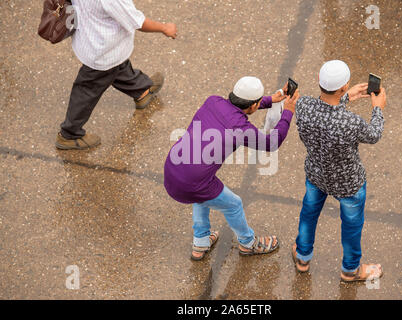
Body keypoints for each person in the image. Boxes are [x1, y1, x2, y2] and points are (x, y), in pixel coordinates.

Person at [164, 76, 300, 260]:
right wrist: (288, 112)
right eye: (258, 103)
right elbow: (272, 142)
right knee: (234, 204)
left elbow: (234, 108)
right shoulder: (240, 128)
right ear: (253, 106)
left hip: (172, 169)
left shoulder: (213, 100)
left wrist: (269, 100)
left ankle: (201, 242)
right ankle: (248, 243)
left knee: (202, 194)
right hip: (193, 183)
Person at [292, 60, 386, 282]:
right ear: (343, 86)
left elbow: (324, 112)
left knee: (308, 214)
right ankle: (351, 270)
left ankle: (302, 257)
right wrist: (378, 108)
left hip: (316, 175)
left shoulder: (303, 105)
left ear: (319, 80)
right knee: (351, 227)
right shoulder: (351, 122)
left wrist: (346, 97)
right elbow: (373, 134)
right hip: (348, 183)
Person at [56, 0, 177, 150]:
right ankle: (69, 134)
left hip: (90, 38)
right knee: (87, 89)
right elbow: (136, 21)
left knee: (117, 67)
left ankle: (142, 90)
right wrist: (165, 28)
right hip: (104, 49)